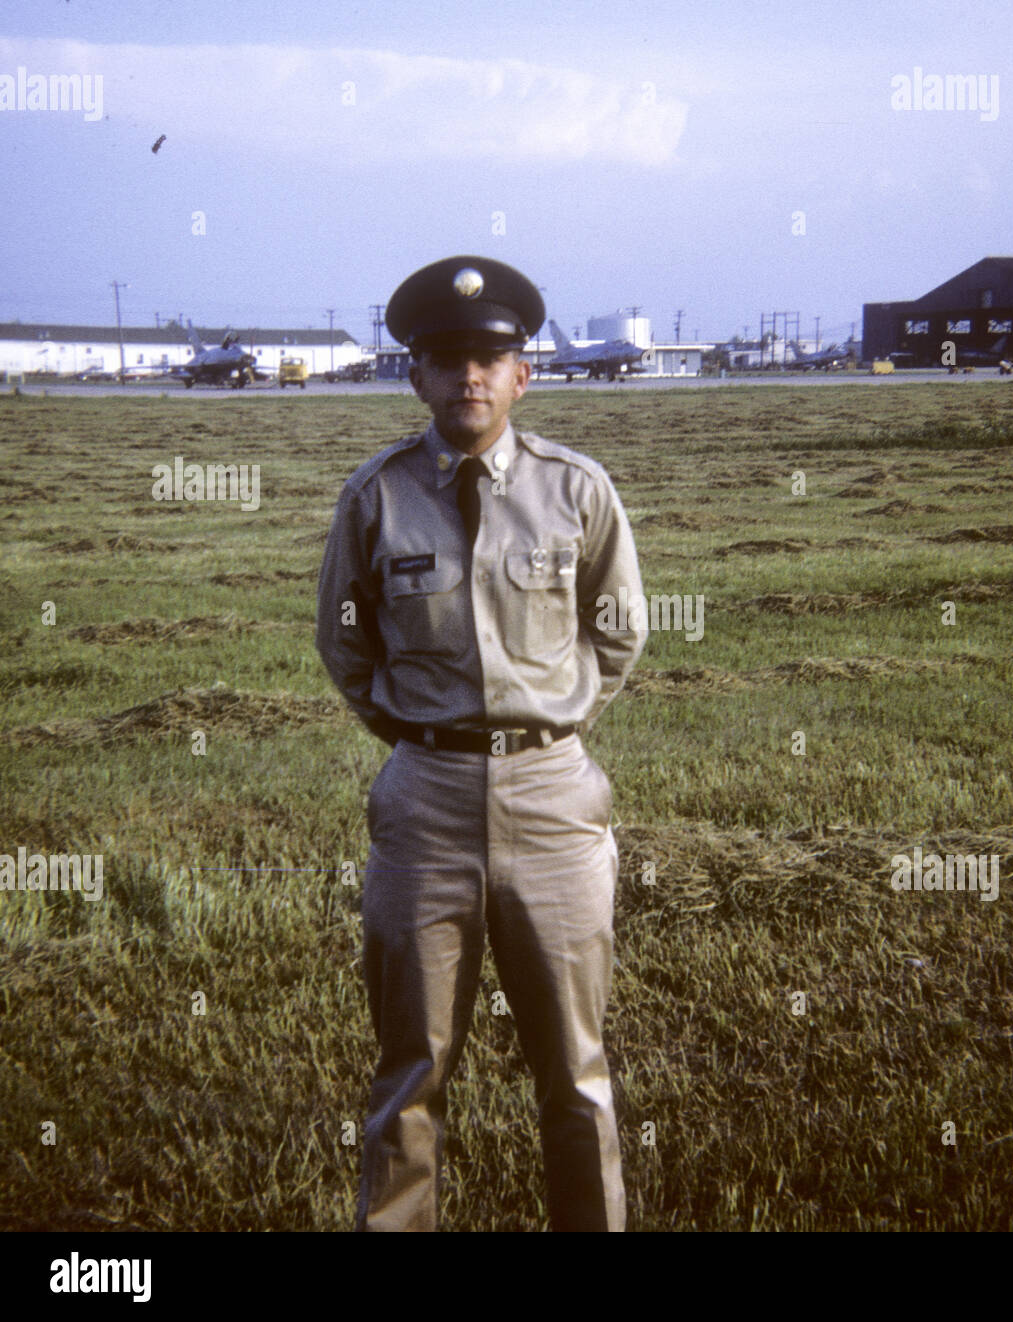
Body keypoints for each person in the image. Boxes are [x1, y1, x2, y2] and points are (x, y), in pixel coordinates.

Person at [315, 255, 647, 1231]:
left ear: (521, 374)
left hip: (552, 799)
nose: (469, 375)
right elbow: (342, 636)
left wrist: (552, 726)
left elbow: (619, 627)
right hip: (424, 800)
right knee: (408, 1070)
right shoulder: (375, 496)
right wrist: (416, 731)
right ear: (414, 374)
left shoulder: (575, 492)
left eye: (490, 356)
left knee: (576, 1068)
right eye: (446, 357)